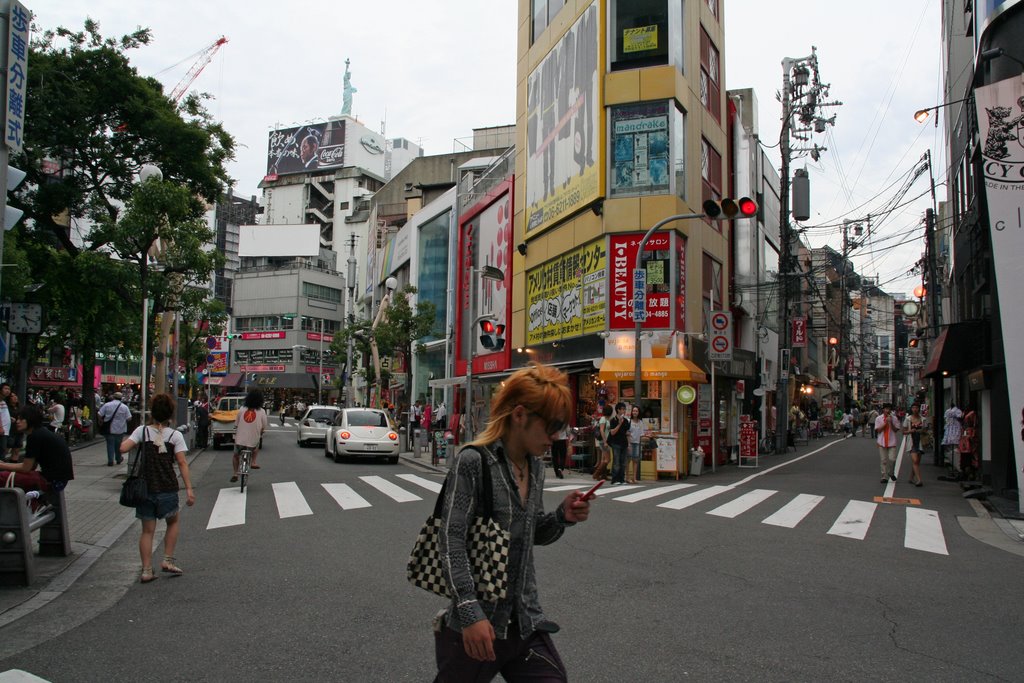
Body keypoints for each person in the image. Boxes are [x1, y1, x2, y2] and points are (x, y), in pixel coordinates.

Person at [432, 362, 591, 681]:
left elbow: (531, 533)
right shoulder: (473, 462)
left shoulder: (537, 467)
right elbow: (451, 542)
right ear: (520, 415)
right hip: (478, 627)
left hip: (525, 622)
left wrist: (563, 516)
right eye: (551, 426)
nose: (556, 437)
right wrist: (468, 611)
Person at [119, 392, 193, 584]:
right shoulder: (175, 435)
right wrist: (189, 490)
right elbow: (182, 463)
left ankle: (146, 570)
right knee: (173, 522)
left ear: (152, 412)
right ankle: (167, 559)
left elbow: (123, 448)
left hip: (146, 488)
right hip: (167, 486)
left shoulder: (142, 431)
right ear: (170, 414)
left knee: (147, 531)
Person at [0, 404, 74, 495]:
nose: (17, 422)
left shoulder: (34, 436)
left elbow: (25, 468)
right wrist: (4, 464)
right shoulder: (41, 432)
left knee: (2, 477)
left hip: (52, 481)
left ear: (30, 420)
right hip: (59, 481)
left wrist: (2, 466)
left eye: (21, 419)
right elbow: (31, 466)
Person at [232, 389, 268, 483]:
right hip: (252, 443)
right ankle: (253, 462)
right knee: (256, 445)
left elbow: (236, 423)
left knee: (236, 456)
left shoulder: (242, 409)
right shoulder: (262, 411)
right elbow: (264, 426)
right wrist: (261, 431)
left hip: (240, 441)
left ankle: (235, 473)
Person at [98, 392, 132, 467]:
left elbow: (99, 414)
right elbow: (129, 418)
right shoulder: (124, 407)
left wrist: (101, 421)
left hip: (109, 428)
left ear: (113, 397)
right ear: (121, 398)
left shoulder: (107, 405)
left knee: (110, 444)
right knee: (118, 445)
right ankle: (118, 458)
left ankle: (110, 460)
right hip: (120, 429)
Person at [874, 402, 902, 483]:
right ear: (883, 410)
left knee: (892, 459)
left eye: (889, 409)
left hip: (892, 441)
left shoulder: (894, 418)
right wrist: (886, 422)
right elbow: (878, 430)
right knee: (883, 460)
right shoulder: (878, 418)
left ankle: (891, 472)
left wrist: (890, 422)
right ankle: (884, 476)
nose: (888, 410)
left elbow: (896, 430)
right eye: (886, 409)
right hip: (881, 442)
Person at [903, 403, 927, 487]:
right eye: (913, 408)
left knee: (917, 462)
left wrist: (922, 431)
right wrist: (910, 431)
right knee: (915, 461)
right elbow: (904, 431)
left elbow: (926, 430)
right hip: (912, 442)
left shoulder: (923, 419)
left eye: (916, 408)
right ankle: (919, 479)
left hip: (920, 442)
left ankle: (911, 477)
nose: (915, 409)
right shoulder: (908, 419)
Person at [607, 402, 629, 486]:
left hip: (624, 443)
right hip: (615, 443)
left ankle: (621, 479)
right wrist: (619, 423)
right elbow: (612, 432)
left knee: (623, 462)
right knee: (616, 461)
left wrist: (629, 444)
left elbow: (627, 433)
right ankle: (614, 479)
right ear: (618, 410)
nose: (624, 411)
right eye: (622, 409)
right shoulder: (613, 420)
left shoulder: (626, 420)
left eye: (624, 409)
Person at [627, 405, 646, 484]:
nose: (635, 412)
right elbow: (627, 433)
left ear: (639, 413)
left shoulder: (641, 422)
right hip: (630, 443)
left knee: (635, 461)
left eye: (636, 411)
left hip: (637, 443)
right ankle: (627, 477)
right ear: (631, 412)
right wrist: (628, 444)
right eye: (633, 411)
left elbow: (642, 434)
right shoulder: (629, 421)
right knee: (628, 460)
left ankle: (634, 478)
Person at [592, 405, 612, 481]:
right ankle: (596, 474)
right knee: (608, 459)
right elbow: (601, 430)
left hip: (605, 441)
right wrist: (605, 441)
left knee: (604, 459)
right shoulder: (603, 419)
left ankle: (603, 475)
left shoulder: (606, 419)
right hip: (604, 441)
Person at [942, 402, 964, 469]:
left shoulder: (956, 411)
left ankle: (955, 463)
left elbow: (959, 418)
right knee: (951, 446)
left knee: (954, 445)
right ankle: (951, 461)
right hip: (951, 428)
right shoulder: (949, 411)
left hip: (954, 428)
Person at [5, 392, 22, 462]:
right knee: (7, 448)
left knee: (16, 450)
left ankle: (12, 468)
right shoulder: (6, 407)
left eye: (15, 395)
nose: (15, 397)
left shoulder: (20, 407)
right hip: (10, 431)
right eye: (12, 396)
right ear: (9, 399)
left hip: (19, 430)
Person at [0, 383, 10, 462]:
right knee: (2, 452)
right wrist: (0, 427)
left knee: (3, 451)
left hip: (5, 431)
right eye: (5, 388)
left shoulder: (3, 401)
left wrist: (10, 418)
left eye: (8, 389)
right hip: (2, 431)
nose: (8, 391)